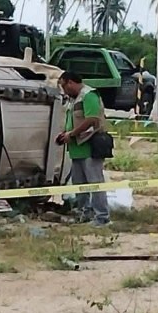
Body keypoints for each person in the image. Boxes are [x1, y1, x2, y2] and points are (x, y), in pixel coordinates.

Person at [56, 70, 110, 226]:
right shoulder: (74, 99)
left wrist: (71, 134)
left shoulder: (88, 95)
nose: (64, 91)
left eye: (64, 86)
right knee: (80, 184)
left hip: (90, 148)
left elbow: (92, 119)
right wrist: (66, 134)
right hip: (76, 149)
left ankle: (102, 217)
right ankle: (84, 213)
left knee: (95, 183)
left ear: (70, 82)